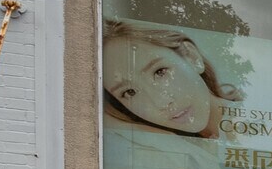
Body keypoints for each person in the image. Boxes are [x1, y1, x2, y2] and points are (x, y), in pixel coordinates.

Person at [101, 19, 242, 138]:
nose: (161, 102)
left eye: (160, 72)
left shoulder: (256, 119)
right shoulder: (177, 156)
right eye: (130, 92)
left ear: (191, 57)